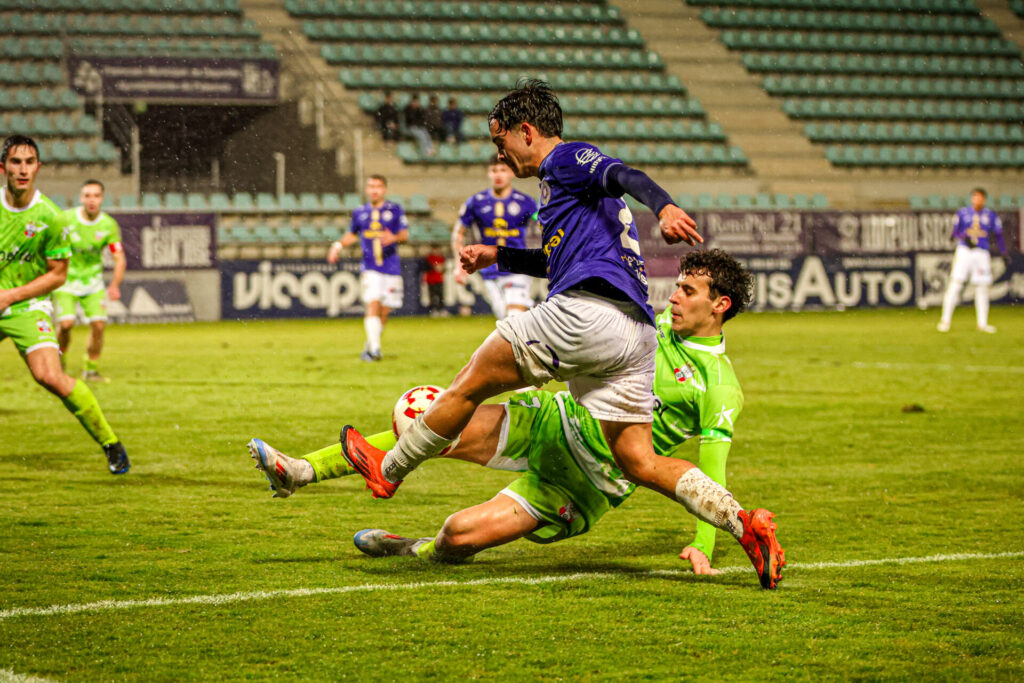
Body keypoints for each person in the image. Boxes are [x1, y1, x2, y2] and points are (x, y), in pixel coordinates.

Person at [338, 80, 784, 588]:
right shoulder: (569, 195)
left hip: (587, 314)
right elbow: (557, 259)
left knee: (470, 383)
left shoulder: (566, 159)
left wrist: (663, 206)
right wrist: (497, 255)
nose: (499, 154)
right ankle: (742, 523)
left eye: (501, 141)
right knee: (639, 460)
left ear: (527, 131)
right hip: (635, 334)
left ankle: (388, 469)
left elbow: (624, 174)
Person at [248, 250, 761, 577]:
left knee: (457, 535)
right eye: (677, 286)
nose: (673, 297)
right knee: (431, 418)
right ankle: (302, 470)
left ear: (721, 306)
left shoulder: (719, 387)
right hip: (549, 422)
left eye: (688, 292)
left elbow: (709, 470)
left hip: (582, 484)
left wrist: (703, 544)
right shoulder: (651, 325)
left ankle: (412, 550)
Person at [0, 135, 129, 474]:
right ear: (3, 168)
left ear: (38, 167)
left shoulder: (52, 217)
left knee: (50, 376)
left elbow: (58, 275)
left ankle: (110, 443)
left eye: (29, 162)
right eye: (15, 162)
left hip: (26, 306)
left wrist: (10, 296)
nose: (23, 169)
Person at [327, 175, 408, 361]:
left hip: (391, 266)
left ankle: (370, 346)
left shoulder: (395, 210)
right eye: (371, 186)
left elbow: (405, 235)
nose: (374, 190)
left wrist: (394, 238)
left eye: (378, 186)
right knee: (373, 302)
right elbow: (352, 234)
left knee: (384, 311)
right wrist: (337, 246)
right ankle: (375, 350)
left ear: (384, 189)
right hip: (370, 266)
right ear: (366, 190)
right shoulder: (360, 212)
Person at [52, 179, 125, 382]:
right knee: (66, 325)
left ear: (102, 198)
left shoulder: (108, 225)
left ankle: (90, 370)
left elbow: (119, 258)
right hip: (66, 281)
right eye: (87, 195)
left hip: (93, 283)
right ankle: (59, 361)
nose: (92, 200)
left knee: (99, 326)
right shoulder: (66, 219)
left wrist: (115, 285)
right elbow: (50, 246)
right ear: (81, 198)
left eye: (96, 196)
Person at [452, 155, 538, 320]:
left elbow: (544, 225)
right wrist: (459, 264)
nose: (498, 175)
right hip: (489, 270)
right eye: (494, 170)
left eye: (503, 170)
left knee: (514, 316)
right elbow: (458, 234)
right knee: (505, 319)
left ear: (511, 173)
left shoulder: (526, 202)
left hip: (518, 267)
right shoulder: (476, 202)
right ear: (488, 173)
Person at [937, 188, 1008, 333]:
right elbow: (954, 232)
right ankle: (945, 321)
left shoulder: (990, 215)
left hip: (981, 252)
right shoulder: (963, 213)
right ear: (971, 199)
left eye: (980, 197)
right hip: (965, 251)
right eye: (975, 197)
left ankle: (982, 323)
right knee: (956, 284)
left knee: (982, 287)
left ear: (984, 200)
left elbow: (998, 235)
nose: (977, 200)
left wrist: (1004, 252)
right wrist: (964, 237)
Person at [424, 244, 446, 317]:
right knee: (432, 296)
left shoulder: (441, 257)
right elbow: (427, 267)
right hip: (431, 280)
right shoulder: (429, 258)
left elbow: (443, 268)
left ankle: (441, 309)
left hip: (439, 279)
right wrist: (435, 267)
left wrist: (441, 268)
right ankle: (433, 310)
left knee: (440, 295)